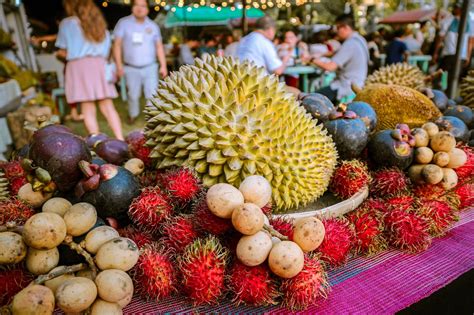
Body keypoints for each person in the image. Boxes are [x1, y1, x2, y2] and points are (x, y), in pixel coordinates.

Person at [55, 0, 123, 140]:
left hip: (79, 67)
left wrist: (60, 55)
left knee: (88, 108)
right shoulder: (100, 26)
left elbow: (63, 51)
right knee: (108, 107)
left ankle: (97, 143)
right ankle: (120, 138)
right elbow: (106, 50)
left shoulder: (67, 24)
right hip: (99, 65)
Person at [113, 0, 168, 124]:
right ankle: (133, 114)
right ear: (132, 7)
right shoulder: (123, 23)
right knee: (133, 94)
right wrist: (119, 66)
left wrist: (163, 65)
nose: (139, 8)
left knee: (152, 95)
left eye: (143, 6)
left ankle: (153, 119)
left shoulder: (153, 26)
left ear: (147, 9)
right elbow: (117, 45)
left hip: (150, 66)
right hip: (130, 67)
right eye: (136, 5)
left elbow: (159, 46)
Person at [307, 14, 368, 103]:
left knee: (311, 100)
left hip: (346, 86)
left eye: (338, 28)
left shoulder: (350, 44)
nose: (337, 31)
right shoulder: (360, 40)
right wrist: (321, 55)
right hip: (359, 83)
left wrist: (312, 60)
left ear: (345, 27)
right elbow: (338, 53)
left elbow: (330, 67)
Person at [434, 3, 474, 92]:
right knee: (444, 77)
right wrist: (467, 56)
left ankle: (445, 95)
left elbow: (440, 37)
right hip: (455, 54)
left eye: (456, 7)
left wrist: (435, 53)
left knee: (447, 78)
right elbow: (471, 41)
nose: (454, 9)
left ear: (460, 9)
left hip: (452, 54)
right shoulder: (469, 22)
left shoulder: (449, 20)